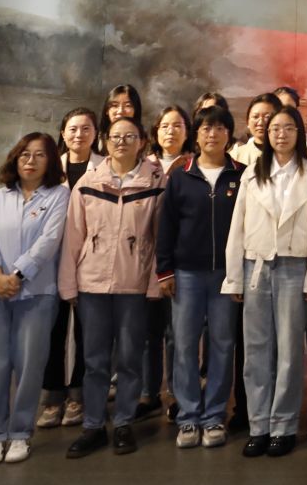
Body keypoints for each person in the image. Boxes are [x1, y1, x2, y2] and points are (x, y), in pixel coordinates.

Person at [58, 115, 164, 458]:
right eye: (116, 136)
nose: (121, 142)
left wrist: (154, 284)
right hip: (92, 284)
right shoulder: (88, 183)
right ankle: (92, 425)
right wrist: (69, 285)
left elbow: (158, 239)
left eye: (129, 136)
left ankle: (123, 423)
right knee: (94, 359)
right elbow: (74, 237)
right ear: (105, 141)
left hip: (134, 284)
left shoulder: (155, 183)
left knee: (130, 358)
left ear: (141, 141)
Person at [225, 102, 307, 458]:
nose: (281, 134)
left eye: (288, 128)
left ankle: (283, 426)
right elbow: (237, 227)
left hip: (295, 267)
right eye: (275, 129)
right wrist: (234, 278)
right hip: (256, 266)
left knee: (289, 351)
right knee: (255, 350)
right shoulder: (253, 173)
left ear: (299, 133)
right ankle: (258, 425)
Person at [0, 132, 69, 465]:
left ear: (50, 161)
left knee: (30, 366)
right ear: (15, 158)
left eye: (40, 155)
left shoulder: (59, 195)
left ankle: (19, 433)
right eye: (25, 154)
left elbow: (49, 241)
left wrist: (17, 275)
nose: (31, 161)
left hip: (37, 292)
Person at [159, 103, 245, 449]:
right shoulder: (181, 175)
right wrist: (165, 270)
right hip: (187, 274)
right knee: (184, 345)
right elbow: (166, 225)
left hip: (226, 275)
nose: (213, 134)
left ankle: (214, 416)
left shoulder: (241, 175)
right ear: (196, 135)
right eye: (206, 128)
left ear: (229, 134)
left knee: (223, 345)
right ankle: (188, 417)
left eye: (220, 128)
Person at [39, 106, 100, 428]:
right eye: (73, 129)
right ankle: (52, 397)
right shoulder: (49, 170)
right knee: (53, 330)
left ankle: (78, 395)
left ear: (96, 133)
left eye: (86, 128)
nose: (79, 134)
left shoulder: (104, 168)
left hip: (90, 260)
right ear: (63, 133)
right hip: (52, 262)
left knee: (86, 332)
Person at [140, 103, 194, 420]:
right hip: (145, 260)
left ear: (187, 132)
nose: (170, 131)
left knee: (177, 334)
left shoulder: (192, 166)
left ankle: (176, 394)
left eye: (177, 125)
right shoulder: (144, 166)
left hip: (179, 260)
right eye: (164, 126)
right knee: (150, 332)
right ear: (155, 131)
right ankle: (148, 393)